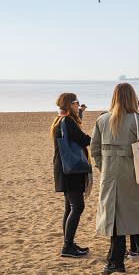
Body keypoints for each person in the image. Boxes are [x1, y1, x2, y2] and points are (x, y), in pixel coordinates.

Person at [91, 83, 139, 274]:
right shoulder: (137, 120)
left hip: (110, 175)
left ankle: (116, 262)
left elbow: (94, 149)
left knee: (114, 217)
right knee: (138, 215)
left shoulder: (102, 120)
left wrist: (104, 166)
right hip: (132, 173)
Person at [51, 93, 92, 258]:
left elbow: (75, 131)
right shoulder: (67, 122)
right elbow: (82, 139)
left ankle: (68, 243)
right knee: (77, 206)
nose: (78, 105)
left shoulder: (61, 120)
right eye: (76, 103)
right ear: (70, 104)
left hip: (64, 169)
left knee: (70, 207)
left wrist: (80, 113)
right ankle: (67, 247)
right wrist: (95, 137)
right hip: (71, 169)